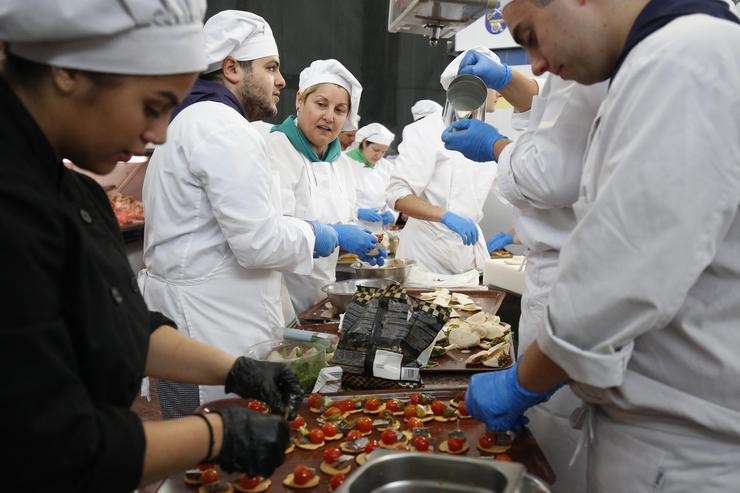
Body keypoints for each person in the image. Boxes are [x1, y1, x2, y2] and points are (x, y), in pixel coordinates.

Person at [0, 1, 305, 490]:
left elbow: (119, 326)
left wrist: (236, 370)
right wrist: (214, 433)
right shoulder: (15, 212)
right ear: (68, 70)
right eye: (151, 105)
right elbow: (53, 447)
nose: (158, 134)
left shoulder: (76, 194)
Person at [456, 1, 740, 491]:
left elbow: (618, 282)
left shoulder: (684, 59)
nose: (537, 63)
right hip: (661, 431)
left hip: (681, 449)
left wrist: (524, 381)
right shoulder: (662, 57)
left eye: (529, 36)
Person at [139, 10, 337, 417]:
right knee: (217, 446)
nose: (281, 80)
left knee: (200, 434)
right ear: (232, 68)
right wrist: (315, 236)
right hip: (212, 326)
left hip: (198, 316)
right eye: (270, 67)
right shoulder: (222, 127)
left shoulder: (193, 121)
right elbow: (258, 243)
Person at [444, 52, 608, 493]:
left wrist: (495, 147)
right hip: (558, 283)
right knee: (550, 436)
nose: (534, 64)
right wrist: (506, 80)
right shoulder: (578, 62)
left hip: (573, 287)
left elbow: (554, 170)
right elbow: (552, 117)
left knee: (560, 449)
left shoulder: (623, 60)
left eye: (532, 37)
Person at [266, 59, 386, 314]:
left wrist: (359, 244)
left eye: (340, 110)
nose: (329, 117)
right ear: (300, 100)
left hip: (323, 298)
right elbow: (270, 231)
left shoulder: (340, 164)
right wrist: (335, 233)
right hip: (282, 300)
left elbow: (345, 222)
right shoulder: (277, 148)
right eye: (321, 104)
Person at [384, 47, 506, 287]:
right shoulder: (426, 131)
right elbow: (397, 195)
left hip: (466, 259)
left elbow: (514, 188)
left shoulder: (488, 138)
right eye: (494, 83)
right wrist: (445, 216)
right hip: (425, 260)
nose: (500, 93)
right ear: (473, 84)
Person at [344, 122, 398, 233]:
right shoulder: (344, 162)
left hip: (379, 229)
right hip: (352, 227)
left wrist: (392, 213)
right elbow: (334, 200)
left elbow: (393, 194)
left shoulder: (387, 167)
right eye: (376, 150)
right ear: (364, 143)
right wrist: (356, 212)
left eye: (383, 152)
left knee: (377, 248)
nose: (379, 155)